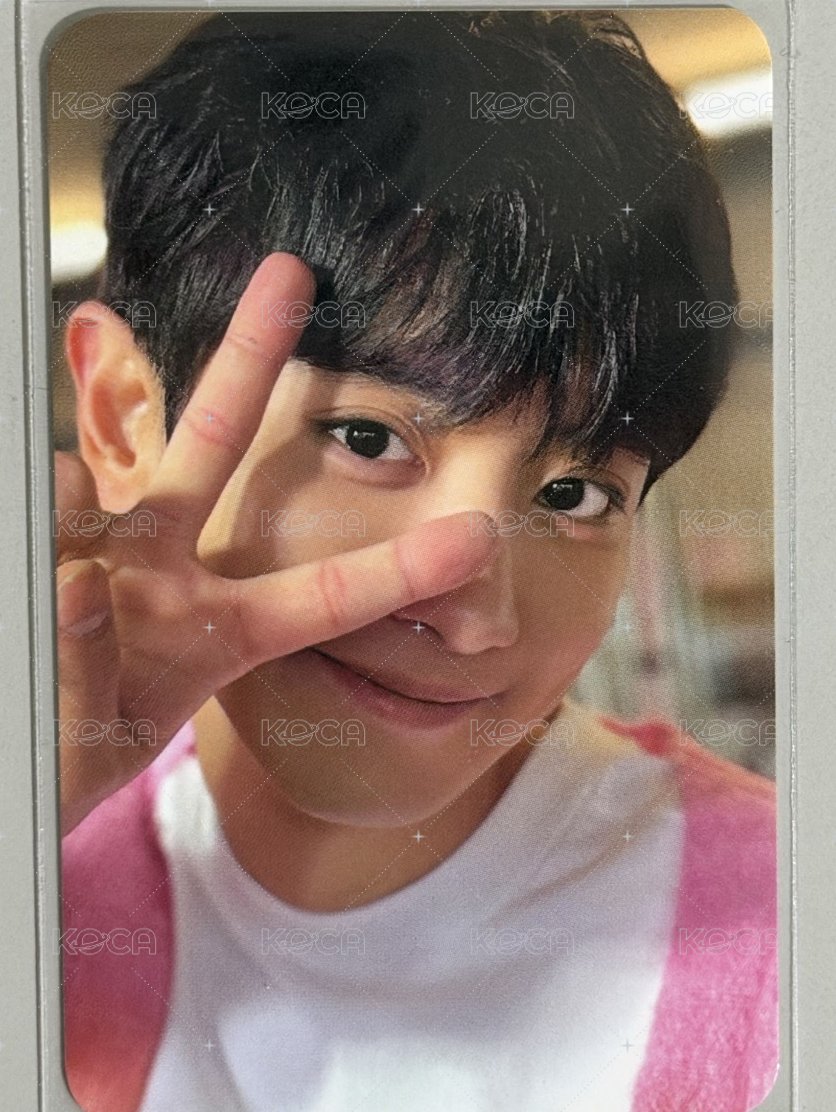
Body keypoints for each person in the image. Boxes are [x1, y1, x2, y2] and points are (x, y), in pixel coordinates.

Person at [56, 11, 777, 1111]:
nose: (475, 619)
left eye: (574, 495)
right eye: (366, 438)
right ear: (119, 416)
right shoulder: (53, 860)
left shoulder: (780, 943)